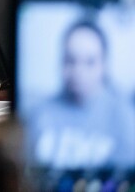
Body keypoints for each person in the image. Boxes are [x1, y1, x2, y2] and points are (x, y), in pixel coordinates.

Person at [27, 19, 135, 170]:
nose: (78, 71)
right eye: (70, 60)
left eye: (89, 62)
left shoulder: (125, 117)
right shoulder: (40, 113)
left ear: (104, 65)